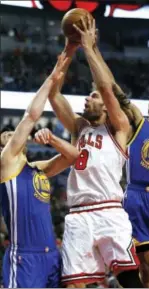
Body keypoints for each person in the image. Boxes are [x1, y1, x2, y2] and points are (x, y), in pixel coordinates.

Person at [76, 18, 149, 288]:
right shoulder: (137, 121)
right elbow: (111, 89)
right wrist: (94, 50)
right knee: (145, 265)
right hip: (134, 196)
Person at [48, 21, 143, 288]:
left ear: (104, 103)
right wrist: (69, 49)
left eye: (92, 96)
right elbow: (53, 93)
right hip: (78, 213)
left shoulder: (119, 126)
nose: (86, 100)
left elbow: (105, 87)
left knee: (129, 279)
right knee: (74, 284)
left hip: (109, 210)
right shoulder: (78, 128)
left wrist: (89, 48)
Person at [0, 54, 80, 288]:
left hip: (51, 255)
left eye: (11, 134)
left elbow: (73, 157)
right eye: (5, 136)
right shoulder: (6, 163)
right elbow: (31, 116)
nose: (10, 136)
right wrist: (53, 76)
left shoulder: (37, 169)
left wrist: (53, 140)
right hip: (25, 256)